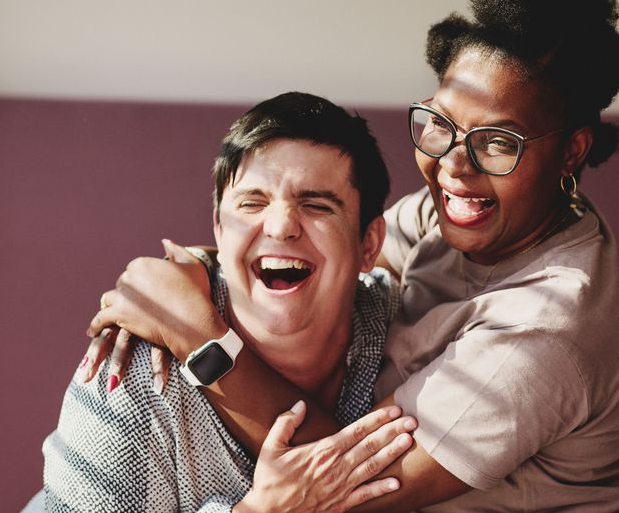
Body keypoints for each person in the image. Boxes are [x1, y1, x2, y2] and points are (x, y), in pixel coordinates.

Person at [89, 0, 619, 512]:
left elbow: (352, 484)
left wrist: (197, 334)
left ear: (571, 152)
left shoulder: (546, 327)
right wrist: (190, 273)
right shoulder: (462, 221)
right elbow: (325, 247)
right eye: (440, 124)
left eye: (498, 142)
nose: (454, 166)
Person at [36, 92, 418, 513]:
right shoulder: (134, 375)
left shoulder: (415, 332)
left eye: (316, 205)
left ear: (369, 243)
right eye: (253, 203)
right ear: (219, 228)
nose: (280, 226)